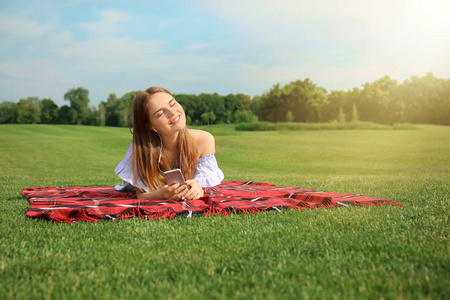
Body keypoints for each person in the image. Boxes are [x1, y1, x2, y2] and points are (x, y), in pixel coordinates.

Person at [114, 86, 224, 200]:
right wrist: (161, 195)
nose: (172, 112)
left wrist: (198, 188)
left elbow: (207, 185)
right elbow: (141, 195)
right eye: (160, 113)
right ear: (150, 126)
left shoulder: (204, 140)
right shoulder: (142, 147)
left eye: (172, 104)